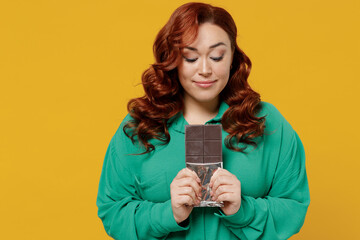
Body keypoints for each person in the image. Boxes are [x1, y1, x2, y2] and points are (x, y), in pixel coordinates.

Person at [96, 2, 310, 240]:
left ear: (232, 58)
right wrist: (168, 213)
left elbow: (294, 207)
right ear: (173, 60)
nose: (205, 69)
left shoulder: (268, 124)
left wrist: (243, 210)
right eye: (190, 58)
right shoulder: (139, 126)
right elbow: (113, 211)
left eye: (217, 56)